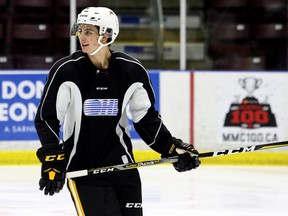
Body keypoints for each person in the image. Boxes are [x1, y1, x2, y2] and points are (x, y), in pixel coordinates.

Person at [34, 7, 200, 216]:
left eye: (88, 32)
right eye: (80, 31)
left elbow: (146, 119)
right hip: (84, 172)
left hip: (124, 170)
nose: (82, 37)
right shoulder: (66, 71)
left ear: (107, 34)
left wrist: (170, 148)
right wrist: (53, 157)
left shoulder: (131, 71)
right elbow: (46, 119)